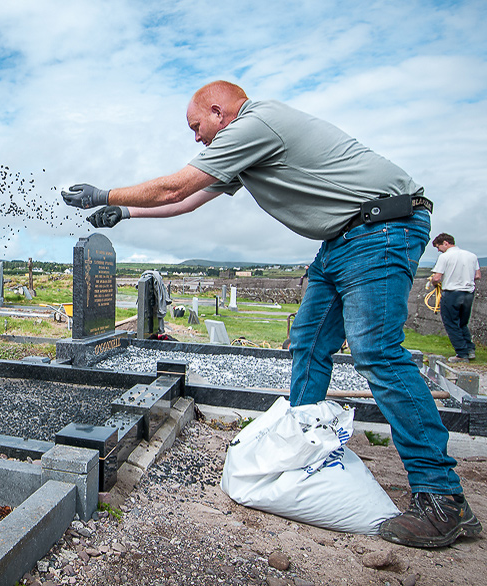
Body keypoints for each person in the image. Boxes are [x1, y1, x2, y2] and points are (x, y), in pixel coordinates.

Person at [61, 80, 481, 548]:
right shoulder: (244, 146)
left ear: (219, 112)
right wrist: (125, 214)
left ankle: (443, 499)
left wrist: (103, 193)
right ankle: (299, 446)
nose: (197, 138)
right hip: (343, 237)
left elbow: (175, 185)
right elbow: (188, 200)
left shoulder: (256, 123)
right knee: (309, 340)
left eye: (196, 126)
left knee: (377, 353)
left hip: (380, 228)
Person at [430, 233, 481, 363]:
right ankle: (470, 349)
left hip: (452, 293)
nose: (438, 250)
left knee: (451, 323)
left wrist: (434, 283)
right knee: (462, 323)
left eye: (438, 247)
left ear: (445, 243)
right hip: (468, 293)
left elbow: (436, 277)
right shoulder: (472, 256)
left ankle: (461, 353)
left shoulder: (445, 257)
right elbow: (477, 276)